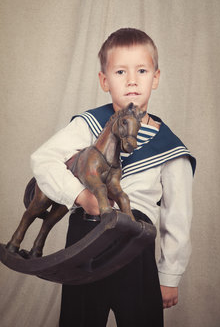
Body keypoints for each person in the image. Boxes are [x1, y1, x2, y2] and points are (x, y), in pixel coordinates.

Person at [31, 28, 196, 327]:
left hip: (135, 247)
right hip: (85, 242)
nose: (132, 80)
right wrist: (81, 197)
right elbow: (42, 160)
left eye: (142, 70)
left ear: (155, 77)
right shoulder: (87, 125)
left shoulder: (171, 149)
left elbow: (178, 217)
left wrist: (170, 275)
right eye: (121, 71)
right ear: (104, 80)